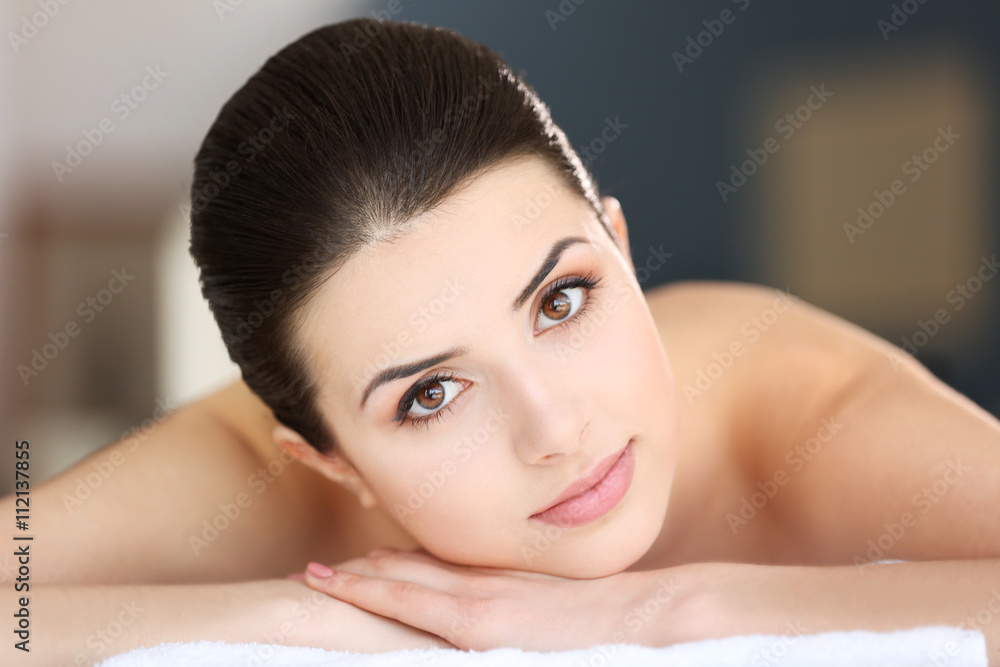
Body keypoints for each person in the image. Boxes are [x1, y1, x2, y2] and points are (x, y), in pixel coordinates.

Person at [5, 17, 1000, 665]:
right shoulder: (252, 482)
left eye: (563, 299)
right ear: (331, 461)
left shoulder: (797, 406)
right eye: (431, 394)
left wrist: (665, 615)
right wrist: (298, 623)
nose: (555, 428)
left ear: (616, 242)